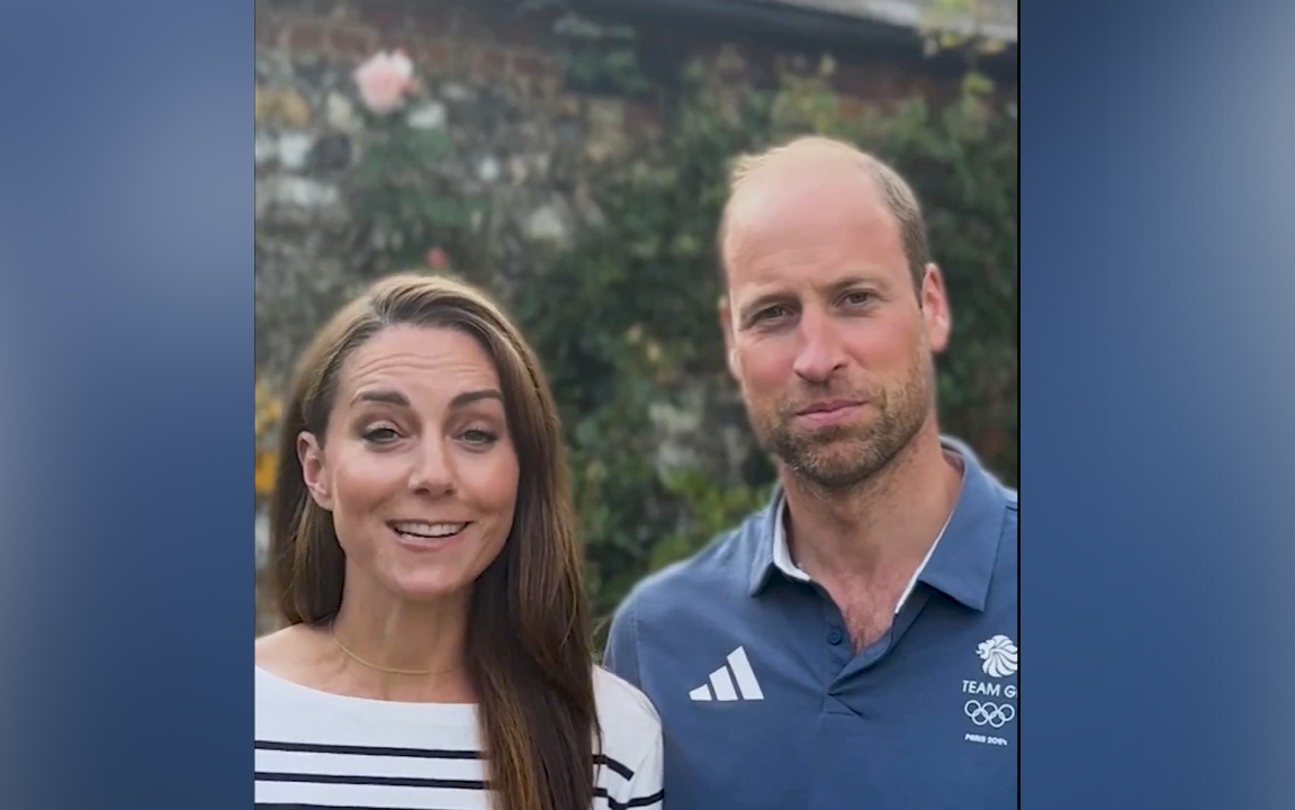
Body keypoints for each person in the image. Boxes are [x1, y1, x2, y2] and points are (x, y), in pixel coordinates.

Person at [603, 136, 1017, 809]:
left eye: (855, 298)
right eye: (774, 314)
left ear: (931, 304)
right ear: (731, 342)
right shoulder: (660, 641)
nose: (817, 357)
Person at [256, 273, 664, 810]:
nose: (433, 475)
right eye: (384, 432)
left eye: (475, 434)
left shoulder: (610, 738)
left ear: (522, 471)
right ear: (317, 469)